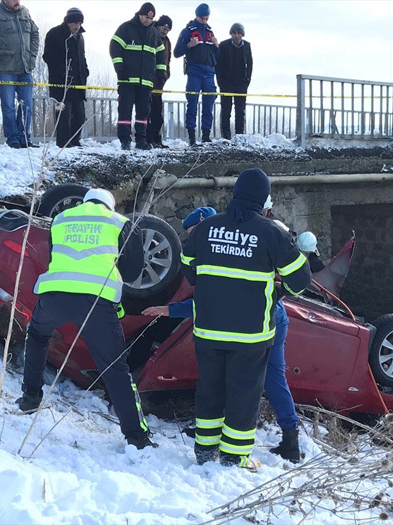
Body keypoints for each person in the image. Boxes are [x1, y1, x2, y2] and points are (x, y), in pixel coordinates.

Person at [146, 202, 303, 463]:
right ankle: (237, 436)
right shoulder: (233, 237)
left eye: (194, 230)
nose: (192, 237)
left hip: (264, 317)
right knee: (238, 380)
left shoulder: (223, 239)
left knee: (268, 378)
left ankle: (289, 438)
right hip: (258, 314)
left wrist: (169, 310)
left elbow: (216, 301)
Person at [181, 169, 311, 470]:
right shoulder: (271, 232)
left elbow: (187, 266)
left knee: (209, 390)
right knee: (243, 395)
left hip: (208, 329)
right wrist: (279, 293)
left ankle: (205, 451)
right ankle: (234, 456)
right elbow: (300, 279)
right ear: (263, 201)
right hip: (250, 335)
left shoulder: (206, 228)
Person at [17, 188, 155, 450]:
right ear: (110, 205)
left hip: (53, 295)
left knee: (36, 336)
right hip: (95, 302)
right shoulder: (120, 222)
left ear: (85, 201)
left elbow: (55, 256)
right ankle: (137, 437)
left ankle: (30, 398)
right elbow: (134, 270)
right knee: (115, 367)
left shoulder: (62, 218)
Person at [0, 0, 39, 149]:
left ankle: (25, 137)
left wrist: (32, 57)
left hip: (25, 69)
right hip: (5, 69)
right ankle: (13, 139)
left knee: (27, 106)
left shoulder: (25, 12)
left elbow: (35, 34)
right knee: (8, 106)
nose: (17, 1)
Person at [109, 2, 165, 151]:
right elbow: (114, 47)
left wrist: (161, 73)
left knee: (143, 113)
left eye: (151, 19)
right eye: (146, 17)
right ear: (140, 15)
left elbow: (160, 55)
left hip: (146, 81)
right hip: (127, 80)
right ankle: (125, 140)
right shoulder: (126, 28)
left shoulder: (154, 33)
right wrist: (119, 68)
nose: (148, 21)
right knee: (125, 111)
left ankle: (141, 140)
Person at [42, 8, 89, 148]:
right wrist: (62, 70)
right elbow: (47, 56)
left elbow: (82, 56)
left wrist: (85, 71)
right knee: (63, 114)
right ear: (68, 22)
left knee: (79, 115)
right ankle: (63, 142)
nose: (77, 26)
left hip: (78, 82)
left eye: (80, 23)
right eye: (75, 23)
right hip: (60, 82)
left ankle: (75, 140)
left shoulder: (80, 37)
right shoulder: (54, 34)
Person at [173, 3, 219, 146]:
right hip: (194, 72)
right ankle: (192, 137)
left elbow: (216, 57)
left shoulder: (210, 32)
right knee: (192, 104)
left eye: (207, 19)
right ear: (197, 16)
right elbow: (176, 53)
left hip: (209, 73)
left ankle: (206, 135)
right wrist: (189, 45)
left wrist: (217, 46)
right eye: (202, 19)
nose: (205, 21)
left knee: (208, 106)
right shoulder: (187, 31)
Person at [216, 23, 253, 140]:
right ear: (231, 34)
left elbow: (250, 64)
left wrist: (247, 80)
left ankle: (239, 134)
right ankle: (226, 135)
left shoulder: (247, 46)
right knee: (226, 110)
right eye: (234, 33)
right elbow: (219, 65)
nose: (237, 36)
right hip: (226, 83)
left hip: (241, 84)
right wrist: (221, 82)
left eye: (239, 33)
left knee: (240, 110)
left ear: (242, 34)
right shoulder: (224, 45)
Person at [146, 15, 173, 149]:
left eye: (167, 30)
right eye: (163, 28)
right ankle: (148, 139)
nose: (165, 31)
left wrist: (165, 75)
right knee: (147, 113)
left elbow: (167, 60)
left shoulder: (167, 41)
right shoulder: (150, 36)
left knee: (158, 115)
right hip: (147, 81)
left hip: (159, 83)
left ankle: (157, 139)